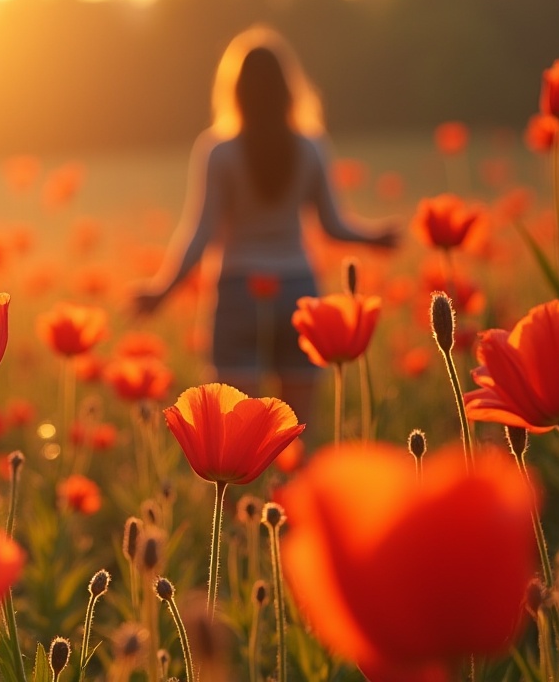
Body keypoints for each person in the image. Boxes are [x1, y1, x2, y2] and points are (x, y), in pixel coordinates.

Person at [133, 27, 398, 423]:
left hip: (238, 291)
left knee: (238, 436)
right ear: (288, 89)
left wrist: (161, 290)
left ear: (234, 91)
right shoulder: (310, 146)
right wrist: (374, 237)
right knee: (295, 434)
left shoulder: (218, 151)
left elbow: (201, 232)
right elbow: (333, 225)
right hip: (298, 290)